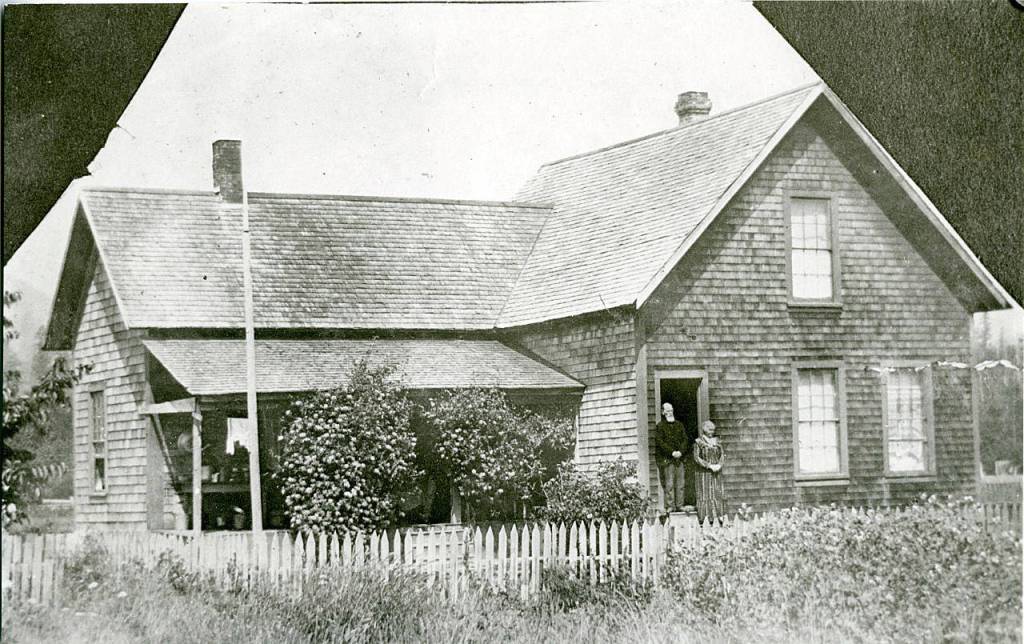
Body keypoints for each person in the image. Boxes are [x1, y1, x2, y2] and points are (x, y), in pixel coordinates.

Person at [654, 402, 690, 512]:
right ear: (663, 412)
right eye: (667, 411)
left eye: (671, 410)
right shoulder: (660, 426)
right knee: (669, 484)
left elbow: (685, 440)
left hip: (679, 459)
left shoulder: (679, 425)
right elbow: (660, 442)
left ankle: (680, 505)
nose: (670, 413)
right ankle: (670, 506)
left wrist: (680, 452)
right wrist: (671, 452)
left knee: (680, 483)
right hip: (668, 460)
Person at [692, 420, 725, 525]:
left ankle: (718, 516)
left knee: (717, 492)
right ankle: (706, 518)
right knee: (705, 493)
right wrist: (709, 465)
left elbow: (722, 455)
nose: (712, 432)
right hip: (704, 473)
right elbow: (696, 458)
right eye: (710, 430)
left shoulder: (717, 442)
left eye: (713, 430)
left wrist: (719, 465)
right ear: (704, 429)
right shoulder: (698, 442)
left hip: (716, 472)